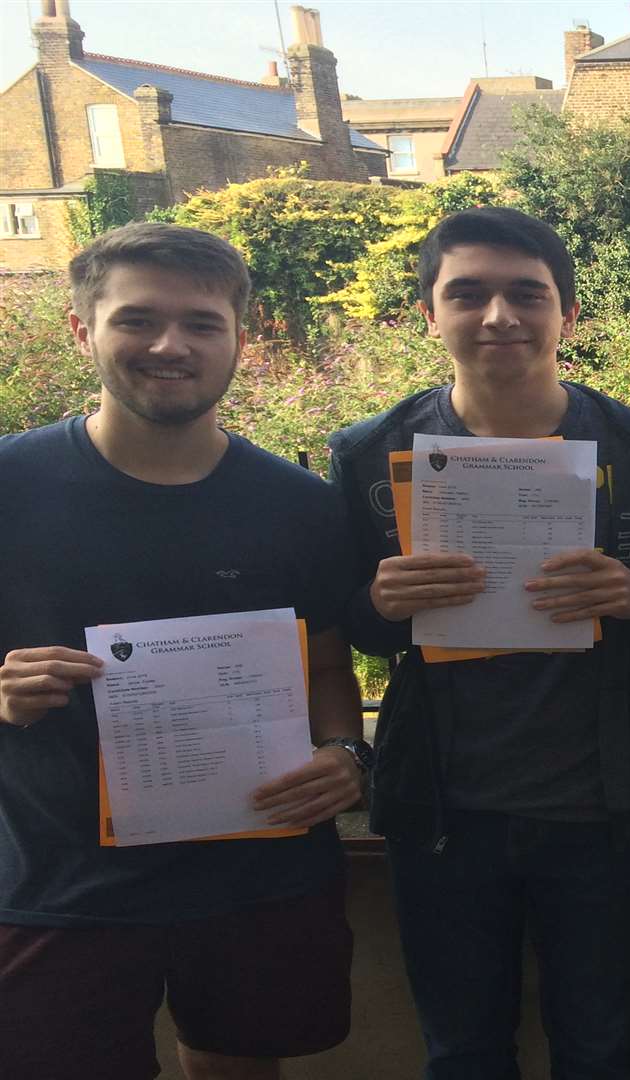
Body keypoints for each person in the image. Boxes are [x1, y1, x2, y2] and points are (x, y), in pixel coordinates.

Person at [326, 206, 630, 1078]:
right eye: (469, 294)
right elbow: (352, 628)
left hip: (604, 802)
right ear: (429, 313)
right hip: (444, 809)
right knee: (462, 1050)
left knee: (601, 1047)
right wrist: (378, 599)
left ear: (566, 311)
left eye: (527, 293)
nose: (499, 316)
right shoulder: (370, 452)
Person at [0, 223, 363, 1080]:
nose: (171, 345)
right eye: (138, 320)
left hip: (256, 877)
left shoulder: (300, 504)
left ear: (242, 336)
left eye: (202, 323)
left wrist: (347, 754)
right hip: (61, 880)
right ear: (82, 330)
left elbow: (328, 666)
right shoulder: (9, 487)